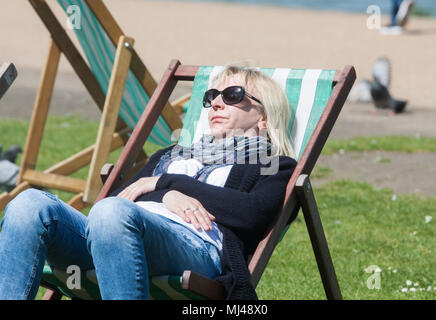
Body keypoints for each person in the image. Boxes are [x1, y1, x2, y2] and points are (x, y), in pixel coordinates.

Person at [0, 66, 299, 300]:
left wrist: (168, 185)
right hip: (114, 238)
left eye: (232, 95)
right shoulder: (170, 155)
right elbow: (112, 203)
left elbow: (253, 214)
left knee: (113, 214)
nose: (217, 103)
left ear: (262, 116)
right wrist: (168, 194)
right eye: (212, 97)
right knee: (28, 204)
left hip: (194, 248)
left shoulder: (272, 163)